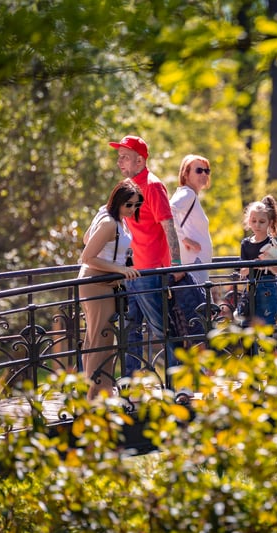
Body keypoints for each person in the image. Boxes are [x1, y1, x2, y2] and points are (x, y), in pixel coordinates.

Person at [109, 134, 183, 375]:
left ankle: (178, 386)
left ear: (139, 161)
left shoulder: (152, 185)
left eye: (125, 158)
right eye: (119, 157)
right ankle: (130, 384)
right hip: (131, 272)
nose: (120, 162)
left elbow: (168, 224)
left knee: (163, 329)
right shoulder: (127, 189)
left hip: (152, 272)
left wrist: (177, 264)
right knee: (130, 329)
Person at [78, 179, 142, 399]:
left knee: (103, 336)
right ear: (118, 202)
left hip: (105, 282)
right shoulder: (108, 222)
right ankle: (94, 395)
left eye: (136, 205)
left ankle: (101, 388)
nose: (133, 209)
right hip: (96, 283)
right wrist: (118, 268)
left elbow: (87, 237)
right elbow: (86, 256)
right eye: (128, 205)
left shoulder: (113, 219)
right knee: (99, 337)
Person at [238, 195, 277, 325]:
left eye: (262, 222)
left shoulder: (274, 245)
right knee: (246, 327)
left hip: (268, 289)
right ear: (249, 222)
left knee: (267, 327)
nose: (257, 225)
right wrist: (255, 265)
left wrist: (269, 263)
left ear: (270, 223)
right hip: (250, 289)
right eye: (254, 221)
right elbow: (242, 272)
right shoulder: (245, 244)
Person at [170, 154, 214, 287]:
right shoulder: (188, 193)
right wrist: (184, 239)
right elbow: (169, 210)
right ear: (185, 174)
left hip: (196, 262)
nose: (204, 174)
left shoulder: (189, 195)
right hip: (194, 262)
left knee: (199, 304)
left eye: (207, 171)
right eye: (199, 170)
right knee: (200, 305)